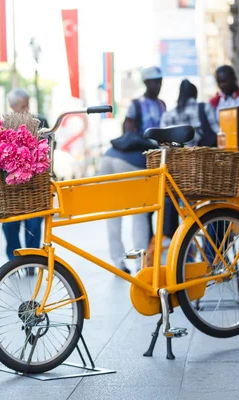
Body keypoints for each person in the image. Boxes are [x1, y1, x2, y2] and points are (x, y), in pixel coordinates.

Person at [101, 66, 166, 273]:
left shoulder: (159, 104)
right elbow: (129, 131)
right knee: (140, 212)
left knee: (113, 211)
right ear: (146, 83)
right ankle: (140, 263)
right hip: (131, 160)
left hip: (110, 156)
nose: (157, 85)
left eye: (159, 81)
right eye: (153, 81)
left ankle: (119, 262)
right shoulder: (137, 105)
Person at [1, 88, 47, 261]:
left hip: (35, 180)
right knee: (10, 224)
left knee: (34, 223)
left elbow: (48, 147)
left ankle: (32, 260)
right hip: (11, 183)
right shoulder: (4, 124)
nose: (26, 110)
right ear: (12, 106)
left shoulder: (40, 121)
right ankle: (14, 262)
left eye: (27, 105)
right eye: (22, 106)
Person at [160, 79, 219, 148]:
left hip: (176, 157)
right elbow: (218, 132)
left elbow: (162, 144)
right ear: (195, 94)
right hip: (203, 156)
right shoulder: (205, 108)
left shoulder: (167, 116)